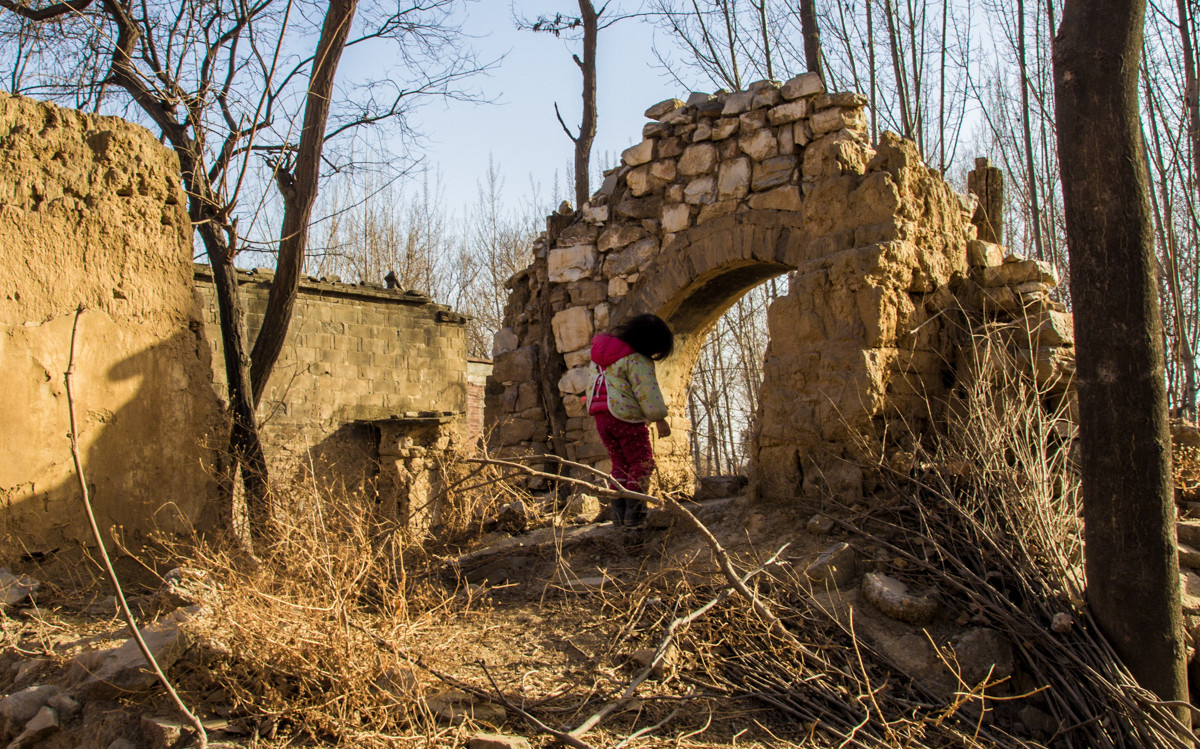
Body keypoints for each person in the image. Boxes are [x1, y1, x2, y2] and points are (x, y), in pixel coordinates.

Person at [586, 313, 674, 527]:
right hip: (626, 418)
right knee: (641, 462)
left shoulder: (600, 354)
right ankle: (634, 518)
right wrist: (659, 418)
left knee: (620, 464)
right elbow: (647, 391)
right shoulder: (636, 359)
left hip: (602, 418)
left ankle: (619, 517)